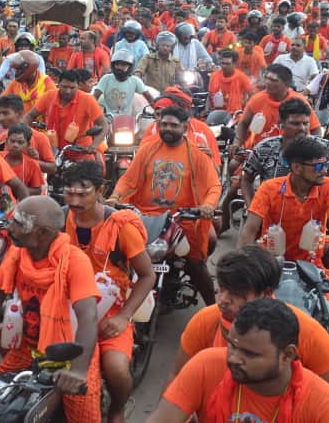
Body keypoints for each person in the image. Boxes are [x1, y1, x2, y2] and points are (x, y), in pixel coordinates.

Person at [0, 196, 102, 422]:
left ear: (42, 233)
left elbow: (88, 316)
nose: (9, 228)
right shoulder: (17, 253)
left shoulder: (76, 261)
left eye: (19, 223)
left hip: (71, 354)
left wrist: (79, 372)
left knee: (84, 417)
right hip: (27, 347)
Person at [168, 246, 329, 415]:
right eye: (222, 289)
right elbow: (176, 382)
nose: (223, 300)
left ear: (265, 294)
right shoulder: (205, 322)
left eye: (236, 294)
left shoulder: (306, 332)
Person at [148, 299, 329, 423]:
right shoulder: (205, 365)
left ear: (287, 355)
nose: (234, 358)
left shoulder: (325, 406)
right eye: (232, 345)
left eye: (250, 354)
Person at [62, 161, 156, 423]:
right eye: (69, 192)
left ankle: (117, 408)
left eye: (83, 193)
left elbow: (148, 275)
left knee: (116, 369)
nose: (75, 200)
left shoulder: (121, 227)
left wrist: (123, 317)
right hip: (67, 307)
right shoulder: (61, 219)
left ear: (101, 190)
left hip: (109, 311)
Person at [109, 106, 220, 305]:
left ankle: (215, 312)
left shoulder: (197, 153)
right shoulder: (147, 149)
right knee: (119, 257)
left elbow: (213, 186)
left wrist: (208, 206)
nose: (168, 128)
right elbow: (128, 179)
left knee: (195, 264)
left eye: (174, 125)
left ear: (185, 127)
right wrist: (115, 196)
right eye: (164, 124)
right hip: (144, 217)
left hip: (183, 220)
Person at [237, 137, 329, 291]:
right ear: (296, 168)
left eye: (325, 164)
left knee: (328, 311)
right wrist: (243, 267)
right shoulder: (269, 188)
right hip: (272, 264)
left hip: (312, 266)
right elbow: (249, 231)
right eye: (318, 166)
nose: (324, 171)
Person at [23, 70, 108, 159]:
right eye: (64, 87)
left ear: (78, 86)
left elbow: (103, 124)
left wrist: (94, 146)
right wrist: (26, 137)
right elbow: (29, 116)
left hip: (81, 152)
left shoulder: (87, 99)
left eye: (72, 88)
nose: (68, 91)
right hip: (53, 152)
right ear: (58, 84)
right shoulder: (49, 96)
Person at [234, 64, 321, 149]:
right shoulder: (257, 99)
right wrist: (237, 143)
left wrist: (314, 149)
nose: (267, 82)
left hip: (293, 150)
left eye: (273, 80)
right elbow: (243, 123)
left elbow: (315, 128)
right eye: (267, 78)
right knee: (232, 164)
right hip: (261, 151)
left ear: (286, 84)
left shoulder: (299, 101)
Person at [0, 94, 56, 175]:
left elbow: (52, 168)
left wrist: (32, 161)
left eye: (5, 113)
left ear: (19, 114)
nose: (0, 118)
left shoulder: (39, 137)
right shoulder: (3, 136)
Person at [94, 49, 156, 115]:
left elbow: (149, 98)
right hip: (108, 118)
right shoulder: (106, 79)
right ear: (113, 65)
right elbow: (94, 98)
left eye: (123, 65)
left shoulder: (135, 81)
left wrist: (157, 110)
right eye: (117, 64)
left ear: (130, 67)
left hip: (126, 120)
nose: (119, 67)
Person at [0, 124, 44, 195]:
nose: (15, 145)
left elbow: (37, 191)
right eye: (12, 141)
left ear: (28, 144)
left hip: (21, 202)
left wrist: (15, 189)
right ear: (6, 141)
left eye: (20, 142)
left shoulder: (32, 164)